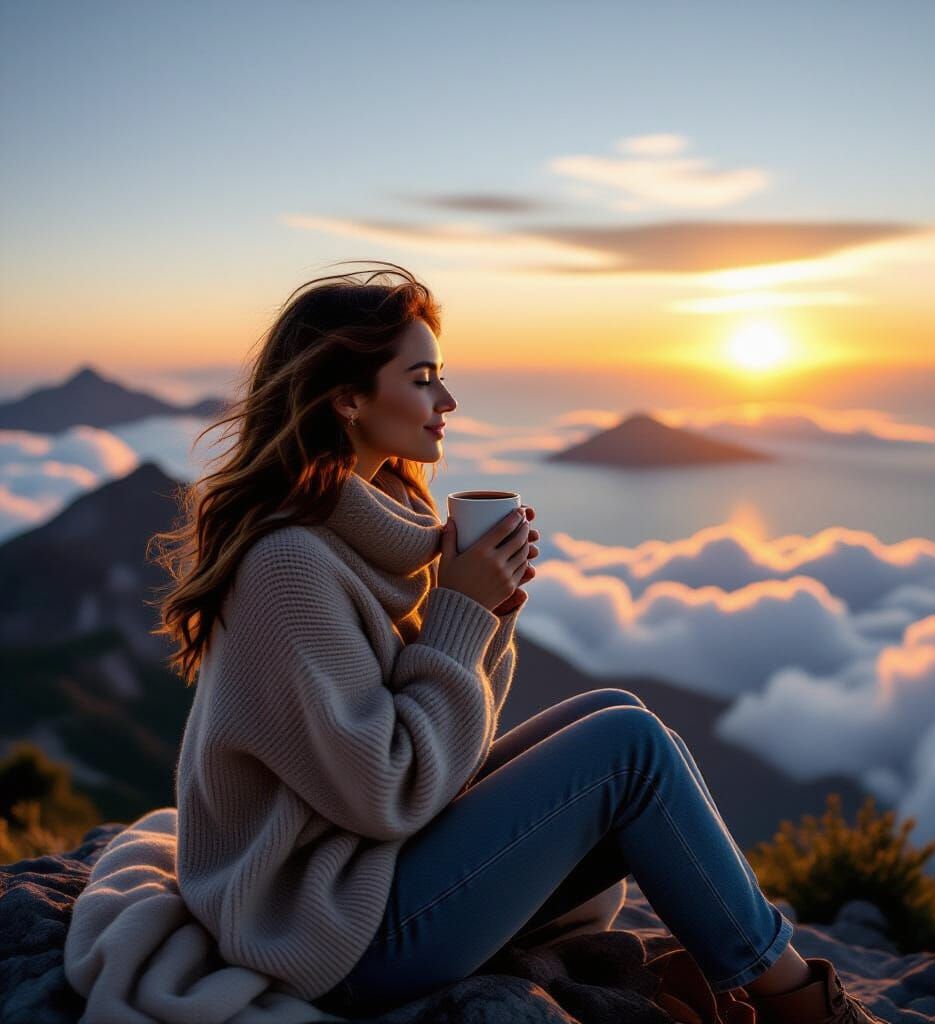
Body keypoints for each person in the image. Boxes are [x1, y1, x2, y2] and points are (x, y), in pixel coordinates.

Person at [149, 261, 885, 1024]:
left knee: (613, 709)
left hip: (365, 877)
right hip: (330, 941)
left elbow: (442, 755)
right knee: (627, 746)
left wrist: (486, 615)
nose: (448, 401)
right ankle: (799, 1004)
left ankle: (757, 976)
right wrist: (459, 614)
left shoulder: (374, 535)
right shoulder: (290, 566)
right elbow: (388, 791)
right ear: (347, 399)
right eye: (423, 378)